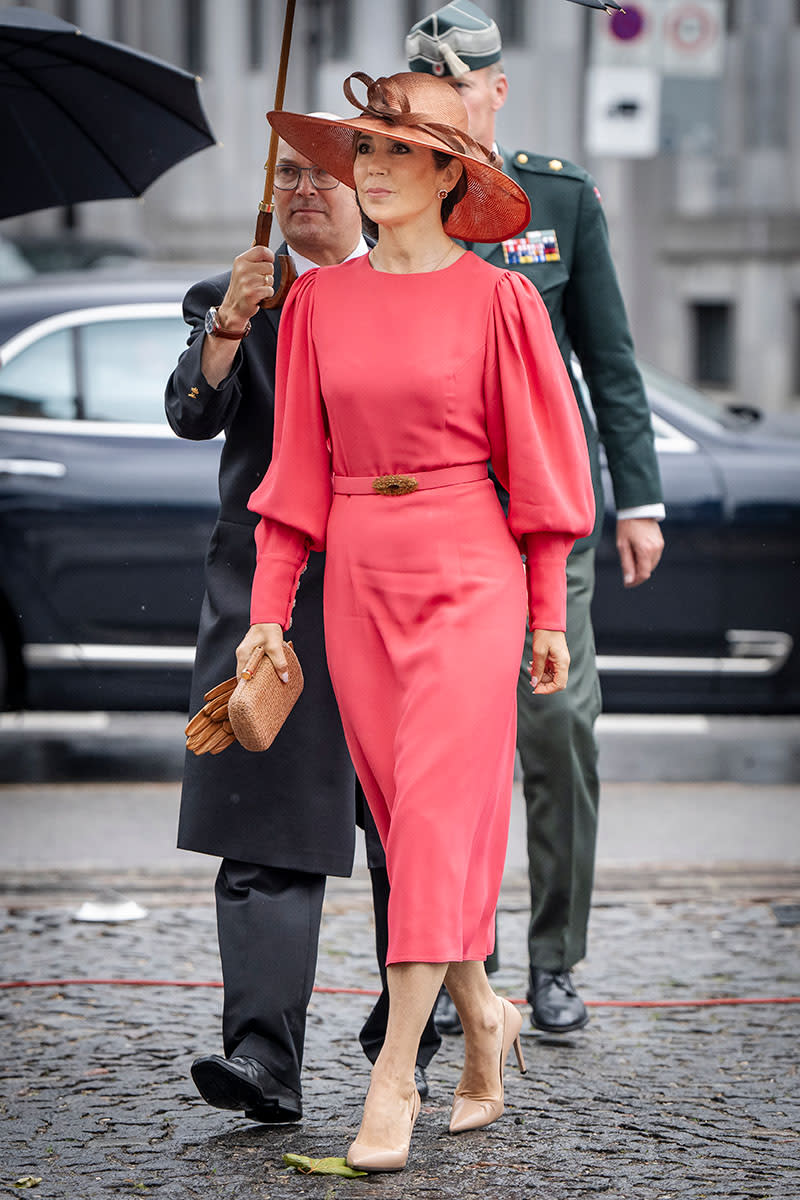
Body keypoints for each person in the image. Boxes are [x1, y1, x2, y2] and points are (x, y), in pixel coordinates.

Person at [235, 70, 595, 1172]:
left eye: (394, 152)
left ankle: (392, 1077)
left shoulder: (502, 302)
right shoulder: (317, 306)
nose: (370, 169)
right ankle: (483, 1015)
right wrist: (266, 618)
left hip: (469, 575)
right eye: (362, 152)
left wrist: (544, 611)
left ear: (451, 172)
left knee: (436, 818)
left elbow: (539, 468)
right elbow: (293, 477)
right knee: (406, 826)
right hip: (356, 581)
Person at [388, 0, 665, 1038]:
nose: (446, 105)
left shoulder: (556, 195)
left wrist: (635, 497)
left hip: (543, 513)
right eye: (428, 87)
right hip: (436, 517)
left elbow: (611, 358)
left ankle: (554, 959)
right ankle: (469, 965)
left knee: (555, 730)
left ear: (494, 90)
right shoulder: (397, 202)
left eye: (462, 87)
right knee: (445, 748)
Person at [164, 130, 367, 1125]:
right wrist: (228, 332)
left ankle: (419, 1029)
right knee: (263, 830)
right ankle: (261, 1058)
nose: (304, 191)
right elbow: (190, 414)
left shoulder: (417, 293)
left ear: (370, 189)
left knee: (409, 826)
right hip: (266, 598)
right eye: (287, 174)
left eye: (323, 176)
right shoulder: (235, 294)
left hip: (388, 589)